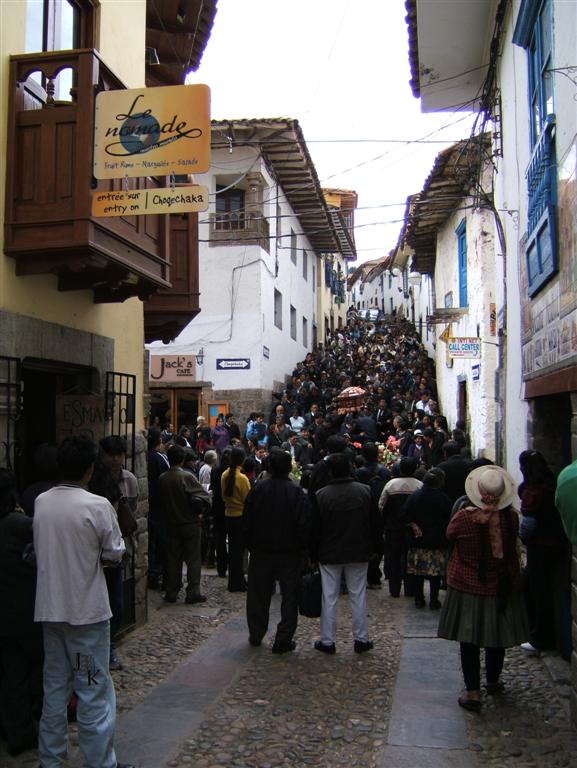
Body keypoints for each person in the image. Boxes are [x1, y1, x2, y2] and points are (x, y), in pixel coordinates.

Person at [33, 436, 133, 768]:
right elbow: (115, 551)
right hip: (86, 616)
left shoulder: (42, 503)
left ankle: (51, 759)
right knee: (92, 691)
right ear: (90, 469)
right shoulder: (97, 505)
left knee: (54, 691)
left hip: (51, 611)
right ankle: (101, 762)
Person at [437, 465, 529, 712]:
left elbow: (449, 535)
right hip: (500, 583)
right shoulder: (510, 517)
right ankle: (493, 679)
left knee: (469, 641)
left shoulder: (464, 518)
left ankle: (473, 691)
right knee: (495, 637)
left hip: (468, 583)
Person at [312, 452, 381, 654]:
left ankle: (327, 640)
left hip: (329, 552)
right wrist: (376, 548)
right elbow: (375, 523)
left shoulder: (321, 495)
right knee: (357, 595)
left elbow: (315, 529)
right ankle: (361, 638)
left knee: (329, 596)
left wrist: (313, 553)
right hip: (358, 550)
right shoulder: (365, 491)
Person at [244, 449, 311, 653]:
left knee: (258, 594)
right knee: (290, 595)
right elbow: (303, 524)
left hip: (261, 551)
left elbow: (247, 519)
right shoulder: (296, 492)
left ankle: (256, 632)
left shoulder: (258, 489)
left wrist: (251, 543)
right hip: (289, 552)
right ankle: (283, 638)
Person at [0, 469, 43, 756]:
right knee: (32, 671)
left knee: (10, 672)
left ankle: (15, 729)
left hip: (7, 613)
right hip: (24, 609)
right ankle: (27, 728)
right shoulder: (20, 525)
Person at [518, 450, 569, 655]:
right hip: (557, 542)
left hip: (540, 546)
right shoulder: (552, 482)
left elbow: (528, 525)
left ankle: (540, 636)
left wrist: (523, 537)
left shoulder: (533, 492)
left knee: (538, 591)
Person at [158, 445, 211, 605]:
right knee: (193, 559)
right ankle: (193, 592)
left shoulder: (162, 478)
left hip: (172, 523)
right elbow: (205, 497)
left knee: (173, 559)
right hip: (190, 523)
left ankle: (172, 591)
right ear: (182, 460)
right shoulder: (185, 477)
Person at [401, 468, 451, 609]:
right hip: (437, 540)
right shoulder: (444, 499)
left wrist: (412, 524)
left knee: (418, 572)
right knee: (436, 573)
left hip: (418, 540)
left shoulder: (415, 496)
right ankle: (434, 600)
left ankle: (419, 598)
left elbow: (404, 514)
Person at [378, 457, 422, 597]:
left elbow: (381, 506)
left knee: (393, 557)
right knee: (410, 557)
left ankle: (394, 589)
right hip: (412, 528)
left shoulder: (391, 485)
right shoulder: (419, 485)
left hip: (393, 527)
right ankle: (410, 589)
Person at [221, 446, 251, 592]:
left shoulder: (224, 475)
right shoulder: (242, 478)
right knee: (239, 551)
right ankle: (238, 581)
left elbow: (223, 496)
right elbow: (248, 500)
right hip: (240, 517)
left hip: (229, 515)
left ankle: (234, 581)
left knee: (233, 549)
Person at [147, 429, 170, 590]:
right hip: (159, 506)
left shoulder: (144, 457)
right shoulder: (159, 459)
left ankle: (152, 572)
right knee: (161, 542)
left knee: (151, 542)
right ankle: (159, 573)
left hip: (150, 504)